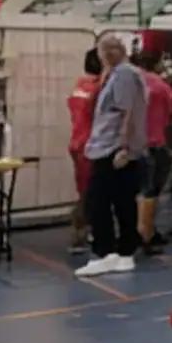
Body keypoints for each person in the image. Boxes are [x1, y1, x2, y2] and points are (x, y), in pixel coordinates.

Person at [78, 33, 149, 278]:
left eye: (109, 49)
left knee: (98, 201)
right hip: (107, 146)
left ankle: (106, 252)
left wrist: (125, 148)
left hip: (113, 149)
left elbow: (128, 112)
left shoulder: (124, 75)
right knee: (121, 202)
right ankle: (122, 251)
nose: (105, 55)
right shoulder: (117, 75)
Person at [134, 51, 172, 254]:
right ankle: (147, 234)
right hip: (154, 143)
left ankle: (136, 231)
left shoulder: (128, 82)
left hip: (130, 145)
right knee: (151, 192)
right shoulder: (161, 87)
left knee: (136, 192)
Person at [67, 48, 104, 254]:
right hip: (91, 146)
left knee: (86, 190)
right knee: (92, 193)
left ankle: (84, 231)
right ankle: (81, 234)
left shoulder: (80, 85)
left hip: (78, 143)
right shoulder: (99, 88)